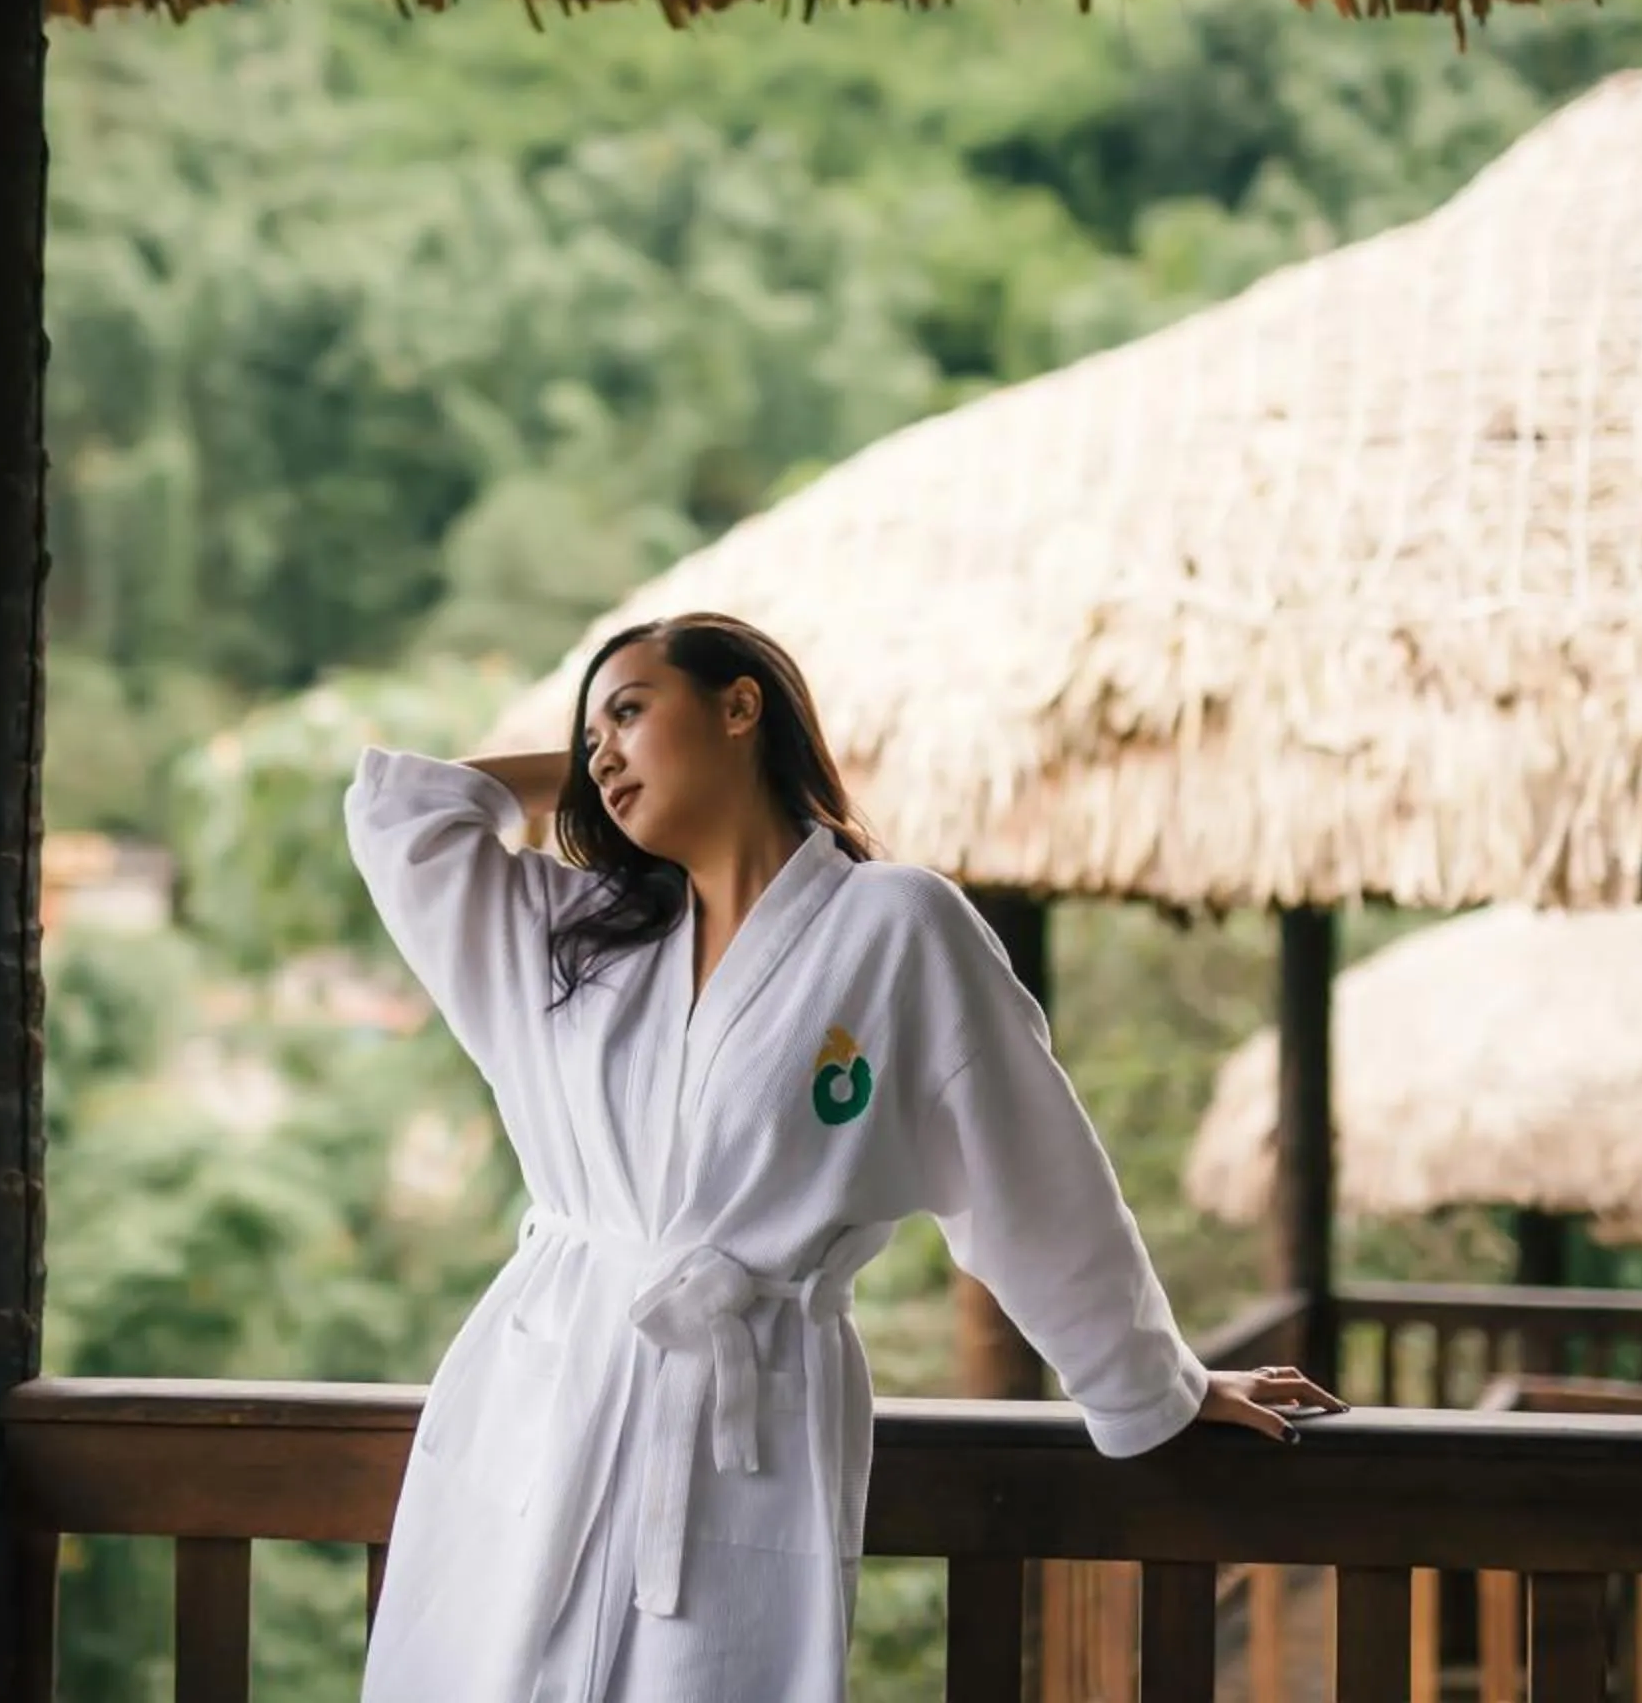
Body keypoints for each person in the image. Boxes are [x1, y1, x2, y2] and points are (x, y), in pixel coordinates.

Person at [343, 612, 1344, 1703]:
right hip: (540, 1392)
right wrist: (593, 773)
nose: (603, 753)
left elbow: (1031, 1171)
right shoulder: (583, 936)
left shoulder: (895, 928)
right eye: (588, 739)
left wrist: (1155, 1382)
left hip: (746, 1416)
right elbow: (405, 817)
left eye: (630, 711)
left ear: (740, 707)